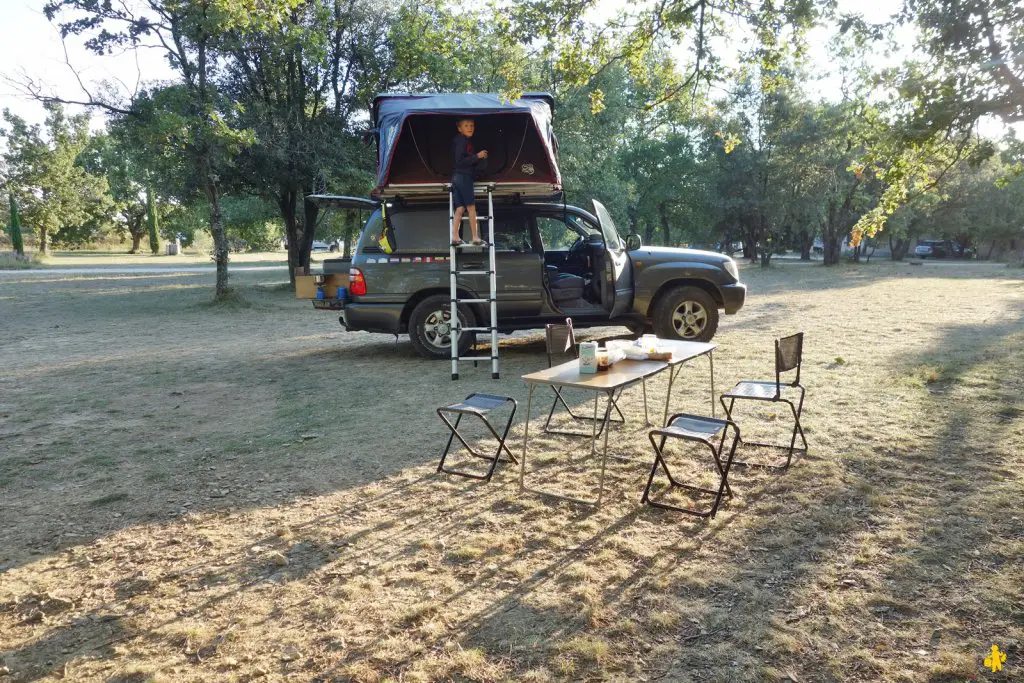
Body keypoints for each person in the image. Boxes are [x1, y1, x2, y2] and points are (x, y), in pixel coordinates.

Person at [450, 118, 488, 246]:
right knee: (471, 207)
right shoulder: (461, 141)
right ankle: (475, 237)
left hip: (456, 176)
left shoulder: (462, 141)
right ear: (459, 128)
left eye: (472, 125)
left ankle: (455, 237)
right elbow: (460, 161)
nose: (470, 128)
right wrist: (478, 156)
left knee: (460, 208)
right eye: (466, 125)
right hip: (463, 176)